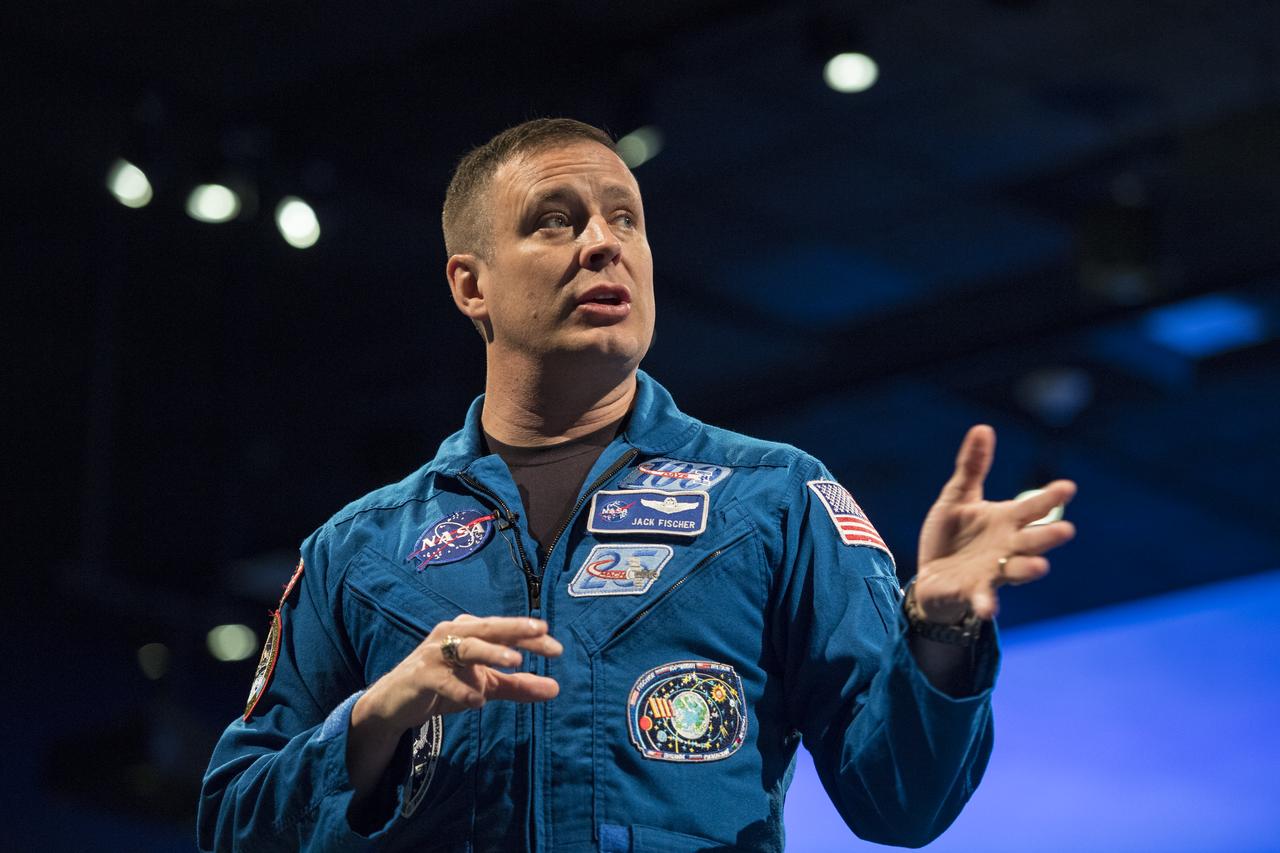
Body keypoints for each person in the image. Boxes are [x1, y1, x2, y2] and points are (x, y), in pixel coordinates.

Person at [198, 118, 1077, 852]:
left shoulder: (769, 499)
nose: (602, 243)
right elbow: (233, 823)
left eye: (626, 218)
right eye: (555, 220)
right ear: (472, 285)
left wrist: (942, 625)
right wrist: (378, 714)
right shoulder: (362, 547)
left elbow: (904, 802)